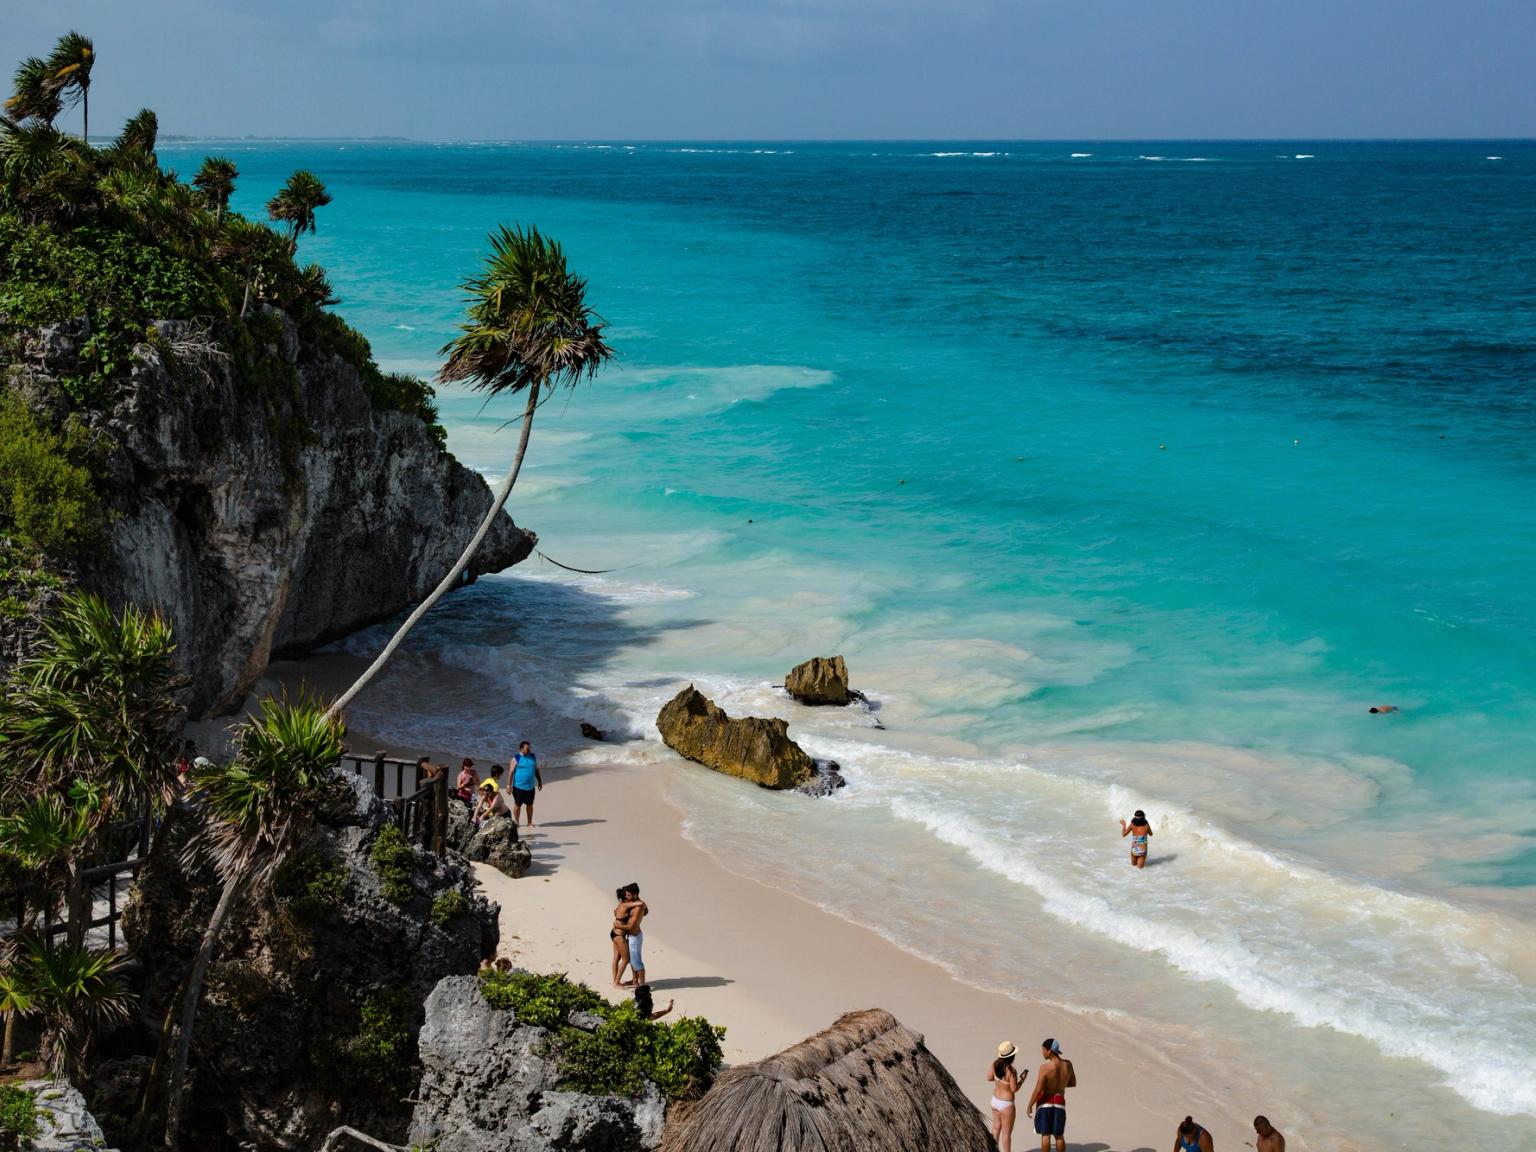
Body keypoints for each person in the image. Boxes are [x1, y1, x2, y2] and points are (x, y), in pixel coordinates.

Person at [1026, 1038, 1075, 1152]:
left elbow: (1038, 1089)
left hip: (1045, 1102)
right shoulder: (1068, 1064)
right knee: (1059, 1135)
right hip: (1060, 1102)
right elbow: (1073, 1083)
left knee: (1045, 1135)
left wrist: (1030, 1104)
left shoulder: (1045, 1068)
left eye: (1043, 1049)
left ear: (1050, 1051)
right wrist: (1060, 1085)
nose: (1042, 1052)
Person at [986, 1041, 1026, 1152]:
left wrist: (999, 1080)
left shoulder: (994, 1064)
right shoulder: (1011, 1071)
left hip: (995, 1100)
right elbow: (1014, 1089)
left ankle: (993, 1150)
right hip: (1006, 1104)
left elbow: (989, 1077)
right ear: (1011, 1057)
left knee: (996, 1128)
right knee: (1006, 1134)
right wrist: (1022, 1080)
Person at [616, 882, 648, 986]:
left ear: (635, 894)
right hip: (633, 936)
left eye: (629, 895)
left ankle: (642, 985)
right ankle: (634, 980)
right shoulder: (638, 904)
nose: (626, 897)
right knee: (633, 960)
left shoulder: (637, 908)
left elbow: (630, 927)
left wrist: (618, 926)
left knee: (636, 962)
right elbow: (646, 912)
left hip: (635, 937)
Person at [511, 741, 542, 829]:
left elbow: (536, 770)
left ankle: (529, 822)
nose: (529, 750)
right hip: (518, 787)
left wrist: (540, 781)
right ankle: (517, 822)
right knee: (517, 805)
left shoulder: (532, 756)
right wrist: (508, 785)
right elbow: (511, 772)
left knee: (530, 805)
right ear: (521, 749)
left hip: (530, 787)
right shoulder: (516, 758)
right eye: (527, 749)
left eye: (529, 748)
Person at [611, 887, 636, 988]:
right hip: (619, 935)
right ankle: (616, 983)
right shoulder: (625, 905)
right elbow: (639, 904)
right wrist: (637, 899)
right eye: (628, 895)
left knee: (616, 958)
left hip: (614, 933)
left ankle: (615, 980)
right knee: (626, 959)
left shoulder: (621, 904)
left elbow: (615, 912)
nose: (629, 896)